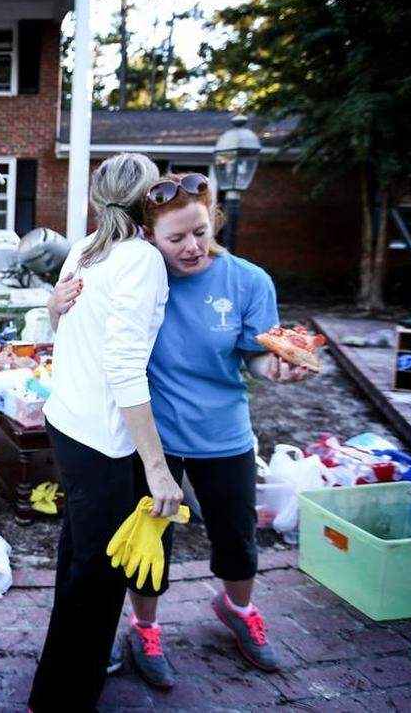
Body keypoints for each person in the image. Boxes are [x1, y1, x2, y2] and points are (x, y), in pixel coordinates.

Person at [49, 170, 308, 690]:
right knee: (151, 550)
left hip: (224, 433)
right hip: (154, 440)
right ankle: (145, 630)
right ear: (149, 236)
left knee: (237, 540)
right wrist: (55, 306)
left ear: (213, 220)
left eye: (201, 231)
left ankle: (239, 609)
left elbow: (256, 356)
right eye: (176, 238)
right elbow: (97, 335)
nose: (192, 247)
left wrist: (274, 369)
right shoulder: (141, 274)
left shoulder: (250, 281)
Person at [29, 153, 183, 713]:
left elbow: (67, 327)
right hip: (99, 437)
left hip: (69, 423)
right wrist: (158, 467)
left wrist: (51, 307)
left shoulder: (86, 248)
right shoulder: (138, 258)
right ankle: (63, 697)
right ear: (147, 201)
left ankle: (59, 676)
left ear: (98, 201)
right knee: (99, 576)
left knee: (79, 560)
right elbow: (123, 367)